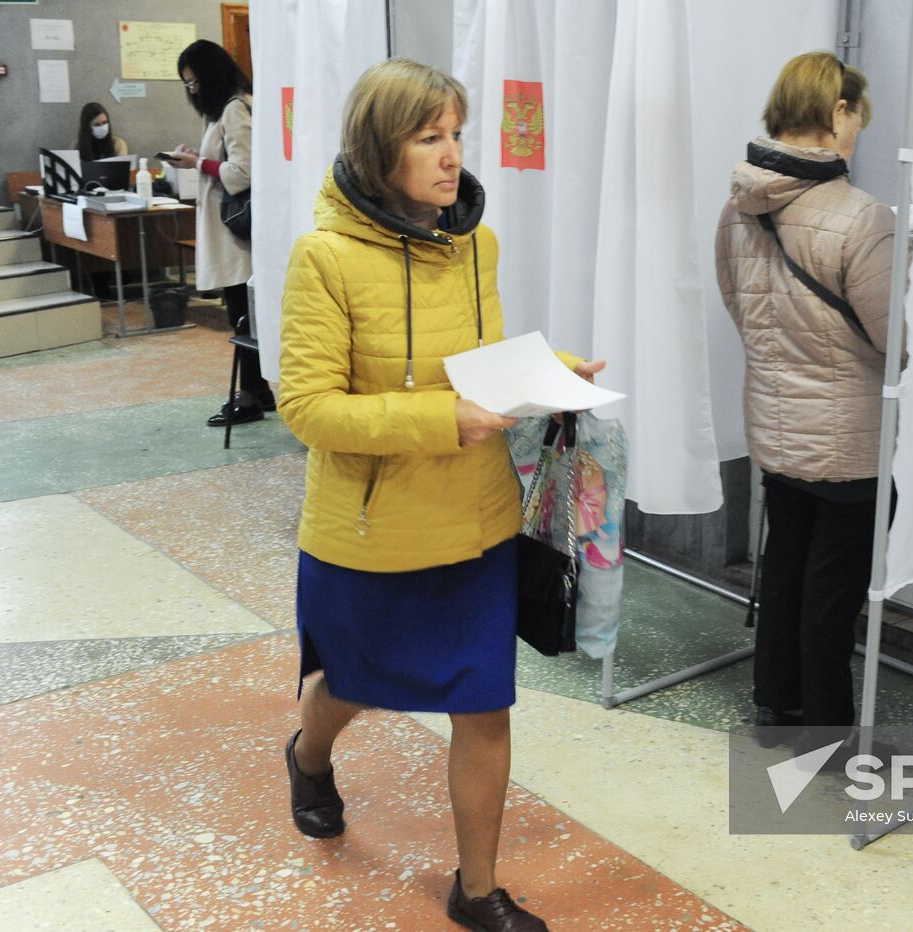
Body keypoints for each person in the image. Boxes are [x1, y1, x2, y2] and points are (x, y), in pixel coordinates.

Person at [278, 59, 603, 931]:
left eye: (457, 134)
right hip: (370, 529)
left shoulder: (475, 244)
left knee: (482, 701)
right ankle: (309, 757)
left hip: (476, 520)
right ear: (379, 147)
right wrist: (437, 420)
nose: (452, 155)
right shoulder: (325, 257)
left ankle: (479, 888)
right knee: (348, 681)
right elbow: (307, 407)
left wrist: (548, 375)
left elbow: (481, 367)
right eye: (429, 137)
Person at [714, 51, 898, 747]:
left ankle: (775, 709)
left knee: (785, 564)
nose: (858, 133)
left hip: (776, 421)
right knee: (832, 591)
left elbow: (739, 306)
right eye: (857, 118)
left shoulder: (738, 208)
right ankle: (827, 735)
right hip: (849, 438)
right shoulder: (862, 217)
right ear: (836, 112)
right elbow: (894, 339)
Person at [164, 39, 274, 426]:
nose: (191, 91)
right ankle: (259, 390)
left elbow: (245, 172)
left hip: (236, 234)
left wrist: (200, 164)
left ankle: (248, 398)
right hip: (225, 229)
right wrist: (199, 158)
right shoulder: (219, 113)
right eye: (186, 85)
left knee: (242, 316)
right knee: (241, 312)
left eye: (193, 82)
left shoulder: (235, 109)